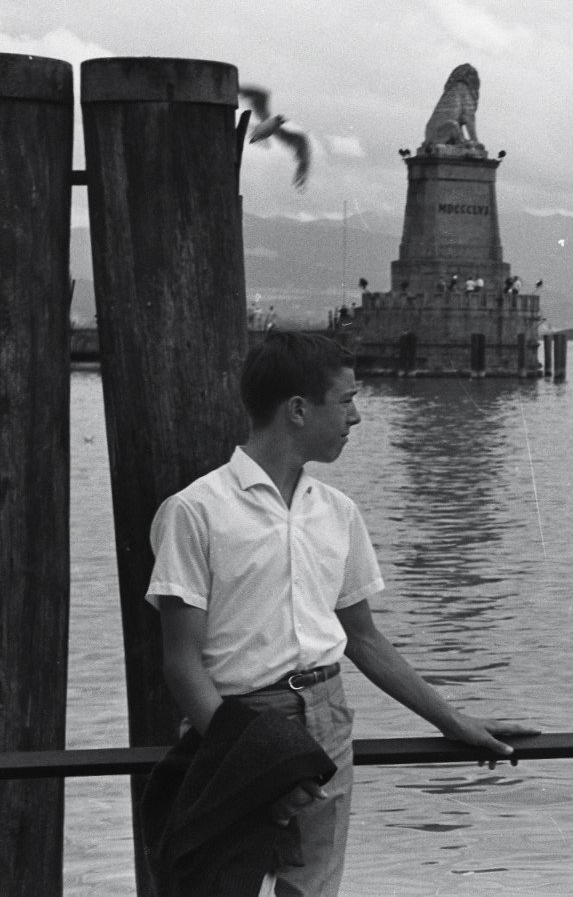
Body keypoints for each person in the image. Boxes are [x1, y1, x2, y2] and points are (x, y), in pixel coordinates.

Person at [147, 330, 536, 896]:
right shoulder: (195, 512)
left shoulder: (337, 512)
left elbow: (364, 639)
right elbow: (181, 663)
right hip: (234, 724)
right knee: (218, 886)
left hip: (327, 716)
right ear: (299, 410)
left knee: (311, 891)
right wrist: (252, 757)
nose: (356, 418)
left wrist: (455, 722)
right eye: (347, 400)